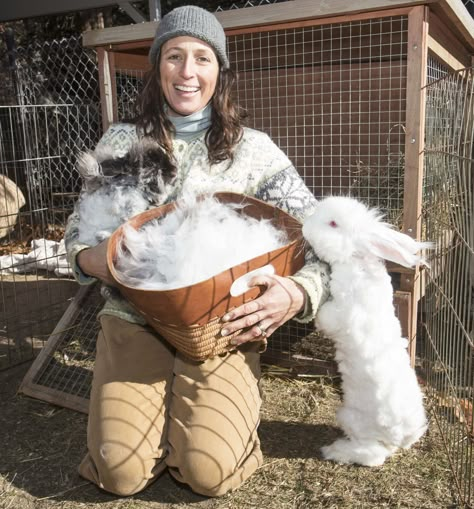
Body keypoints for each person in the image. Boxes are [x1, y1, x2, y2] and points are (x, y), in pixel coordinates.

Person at [65, 5, 329, 498]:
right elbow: (77, 234)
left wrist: (296, 292)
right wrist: (88, 259)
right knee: (119, 474)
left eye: (202, 58)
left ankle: (207, 430)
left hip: (219, 329)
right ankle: (149, 423)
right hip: (133, 318)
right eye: (174, 56)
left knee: (209, 473)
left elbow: (324, 240)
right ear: (157, 67)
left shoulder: (255, 151)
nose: (188, 72)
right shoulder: (124, 140)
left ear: (219, 71)